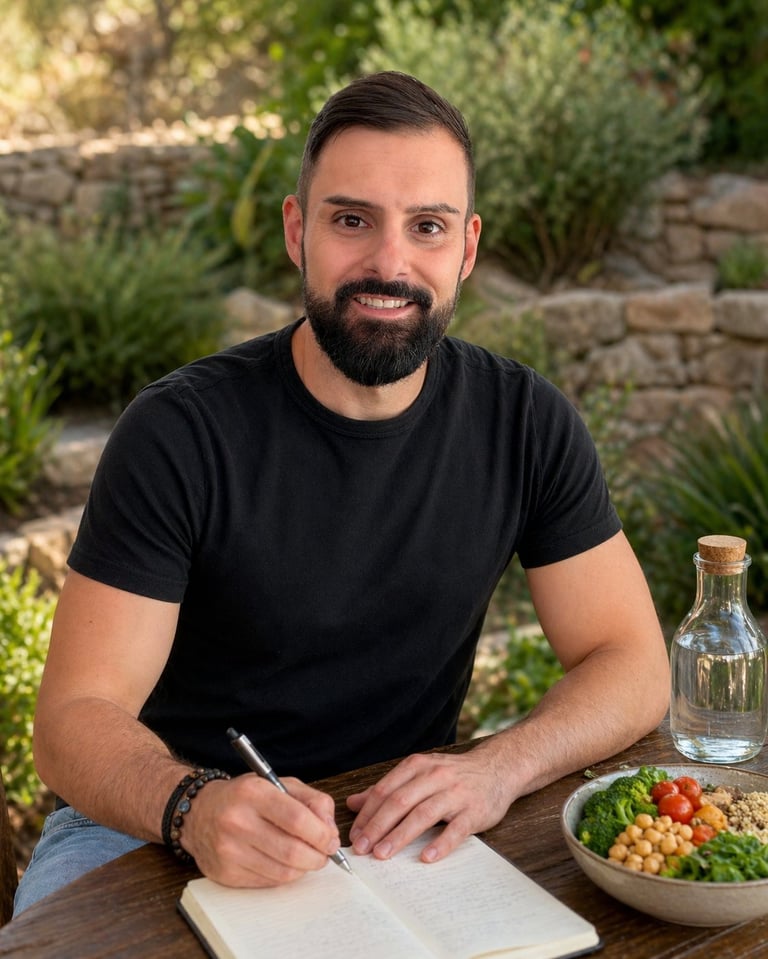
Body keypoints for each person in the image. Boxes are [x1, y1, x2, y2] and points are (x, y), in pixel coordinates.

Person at [14, 70, 669, 914]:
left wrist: (499, 765)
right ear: (298, 231)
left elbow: (633, 662)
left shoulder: (525, 422)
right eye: (351, 220)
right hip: (143, 824)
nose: (388, 263)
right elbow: (72, 721)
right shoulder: (179, 432)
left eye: (426, 227)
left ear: (466, 248)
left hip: (391, 835)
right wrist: (193, 804)